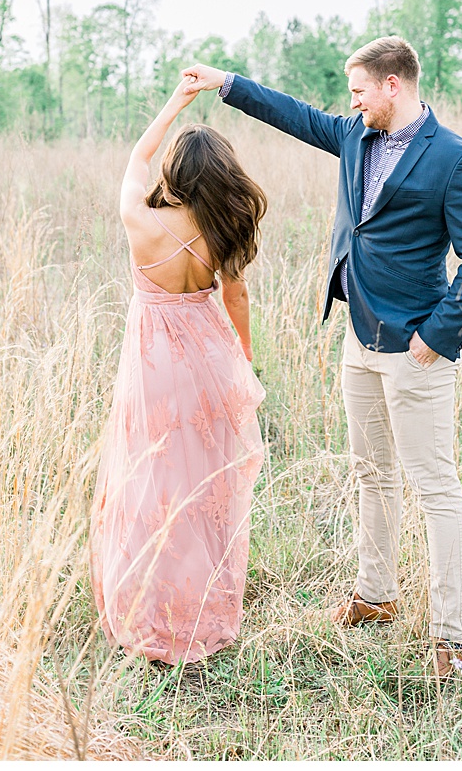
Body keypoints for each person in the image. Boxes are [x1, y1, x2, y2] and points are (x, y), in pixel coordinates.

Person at [182, 35, 462, 679]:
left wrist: (434, 340)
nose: (351, 103)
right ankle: (376, 594)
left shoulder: (455, 160)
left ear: (394, 85)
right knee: (370, 473)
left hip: (417, 351)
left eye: (359, 90)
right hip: (358, 336)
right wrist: (227, 82)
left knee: (435, 489)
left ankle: (451, 637)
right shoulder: (357, 135)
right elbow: (297, 116)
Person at [91, 76, 269, 664]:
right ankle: (202, 608)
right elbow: (236, 298)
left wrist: (176, 104)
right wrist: (242, 360)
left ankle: (149, 611)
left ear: (176, 174)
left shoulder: (139, 219)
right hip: (210, 356)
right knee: (204, 488)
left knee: (150, 484)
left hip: (155, 366)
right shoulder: (222, 229)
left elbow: (139, 156)